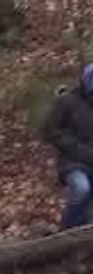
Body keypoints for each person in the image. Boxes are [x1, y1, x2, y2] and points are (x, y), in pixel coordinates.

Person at [43, 65, 93, 230]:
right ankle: (63, 233)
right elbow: (51, 131)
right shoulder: (67, 101)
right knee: (81, 189)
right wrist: (77, 148)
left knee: (87, 209)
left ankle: (81, 238)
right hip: (73, 162)